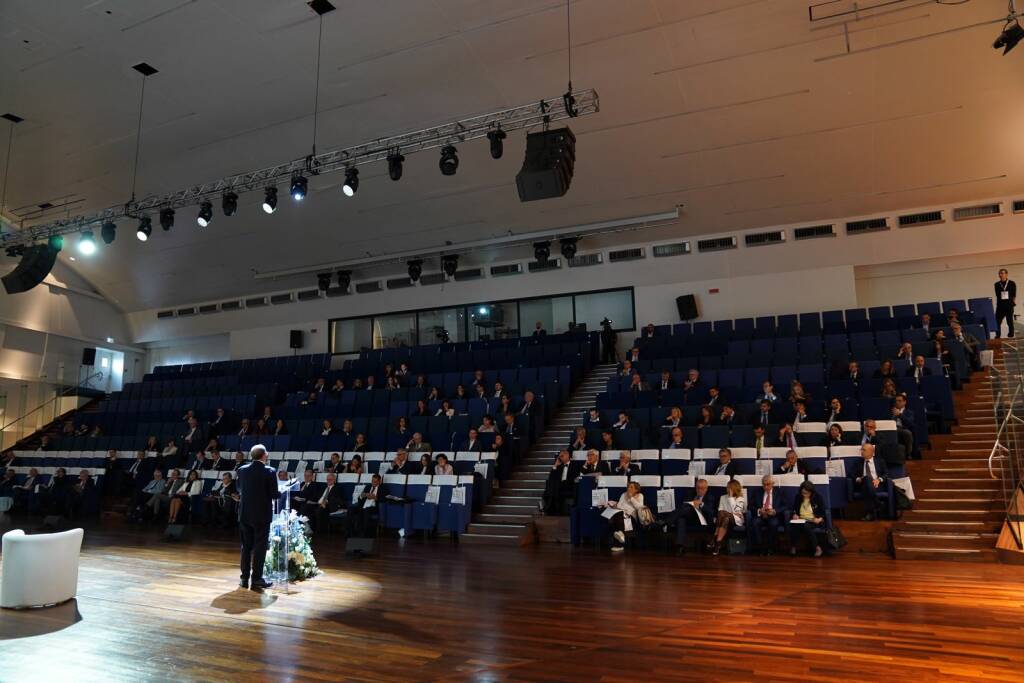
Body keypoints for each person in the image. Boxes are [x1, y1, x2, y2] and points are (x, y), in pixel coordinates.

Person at [236, 444, 278, 591]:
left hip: (245, 514)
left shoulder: (241, 470)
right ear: (264, 455)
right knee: (260, 547)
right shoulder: (270, 471)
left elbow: (239, 488)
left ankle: (244, 578)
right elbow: (274, 494)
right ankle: (257, 579)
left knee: (245, 547)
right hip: (261, 515)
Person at [662, 478, 714, 554]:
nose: (699, 490)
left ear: (706, 488)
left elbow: (711, 512)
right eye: (698, 488)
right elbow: (684, 505)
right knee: (681, 518)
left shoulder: (710, 496)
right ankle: (680, 547)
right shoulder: (691, 493)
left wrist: (701, 504)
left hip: (702, 520)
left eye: (702, 488)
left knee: (683, 513)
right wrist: (692, 503)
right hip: (690, 516)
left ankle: (666, 522)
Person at [789, 480, 827, 557]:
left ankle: (817, 548)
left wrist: (819, 519)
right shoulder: (798, 497)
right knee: (795, 525)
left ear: (811, 492)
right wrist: (794, 515)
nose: (804, 495)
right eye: (803, 493)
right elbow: (794, 510)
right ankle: (793, 546)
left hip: (813, 520)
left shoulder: (818, 497)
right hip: (801, 519)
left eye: (806, 493)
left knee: (806, 526)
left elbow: (823, 512)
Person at [709, 479, 746, 555]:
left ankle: (714, 537)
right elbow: (720, 510)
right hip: (723, 519)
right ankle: (718, 544)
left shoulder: (741, 499)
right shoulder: (722, 497)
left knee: (724, 514)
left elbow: (735, 511)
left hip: (737, 520)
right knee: (725, 518)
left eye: (729, 488)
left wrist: (731, 497)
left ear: (734, 488)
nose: (727, 489)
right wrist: (731, 513)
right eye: (727, 487)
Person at [604, 481, 644, 551]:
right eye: (628, 487)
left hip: (631, 518)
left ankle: (619, 544)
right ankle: (620, 534)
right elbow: (619, 505)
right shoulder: (623, 494)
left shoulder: (640, 495)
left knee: (618, 516)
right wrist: (618, 507)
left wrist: (631, 498)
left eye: (631, 487)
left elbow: (639, 507)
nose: (628, 488)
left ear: (636, 489)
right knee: (617, 514)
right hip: (621, 515)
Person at [752, 475, 782, 555]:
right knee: (755, 523)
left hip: (773, 515)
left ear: (773, 484)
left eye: (768, 484)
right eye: (764, 484)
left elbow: (785, 506)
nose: (765, 487)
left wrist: (775, 511)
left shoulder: (779, 492)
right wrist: (759, 510)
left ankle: (770, 547)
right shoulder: (757, 492)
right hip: (761, 515)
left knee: (774, 524)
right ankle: (761, 547)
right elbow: (750, 506)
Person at [543, 450, 575, 515]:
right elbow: (551, 477)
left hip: (569, 485)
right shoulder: (559, 466)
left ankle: (548, 507)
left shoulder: (574, 465)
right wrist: (555, 465)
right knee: (551, 483)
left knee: (551, 488)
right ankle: (552, 508)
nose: (560, 458)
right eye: (559, 457)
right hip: (559, 486)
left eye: (562, 456)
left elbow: (574, 477)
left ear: (567, 455)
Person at [996, 268, 1016, 338]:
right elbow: (998, 295)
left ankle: (1011, 335)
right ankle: (998, 336)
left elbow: (1013, 295)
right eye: (1000, 273)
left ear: (1006, 274)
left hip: (1009, 305)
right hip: (1000, 306)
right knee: (997, 321)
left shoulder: (1012, 283)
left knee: (1009, 321)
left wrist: (1012, 302)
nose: (1001, 274)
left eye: (1003, 273)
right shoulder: (997, 284)